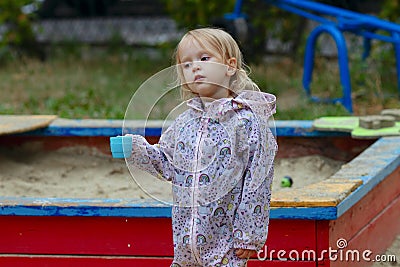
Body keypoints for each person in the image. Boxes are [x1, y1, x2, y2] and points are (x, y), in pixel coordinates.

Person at [124, 28, 277, 266]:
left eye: (204, 58)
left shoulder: (246, 123)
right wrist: (135, 149)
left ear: (230, 66)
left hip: (226, 246)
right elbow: (167, 164)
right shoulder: (184, 122)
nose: (194, 67)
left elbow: (258, 180)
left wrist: (249, 235)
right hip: (186, 242)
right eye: (186, 64)